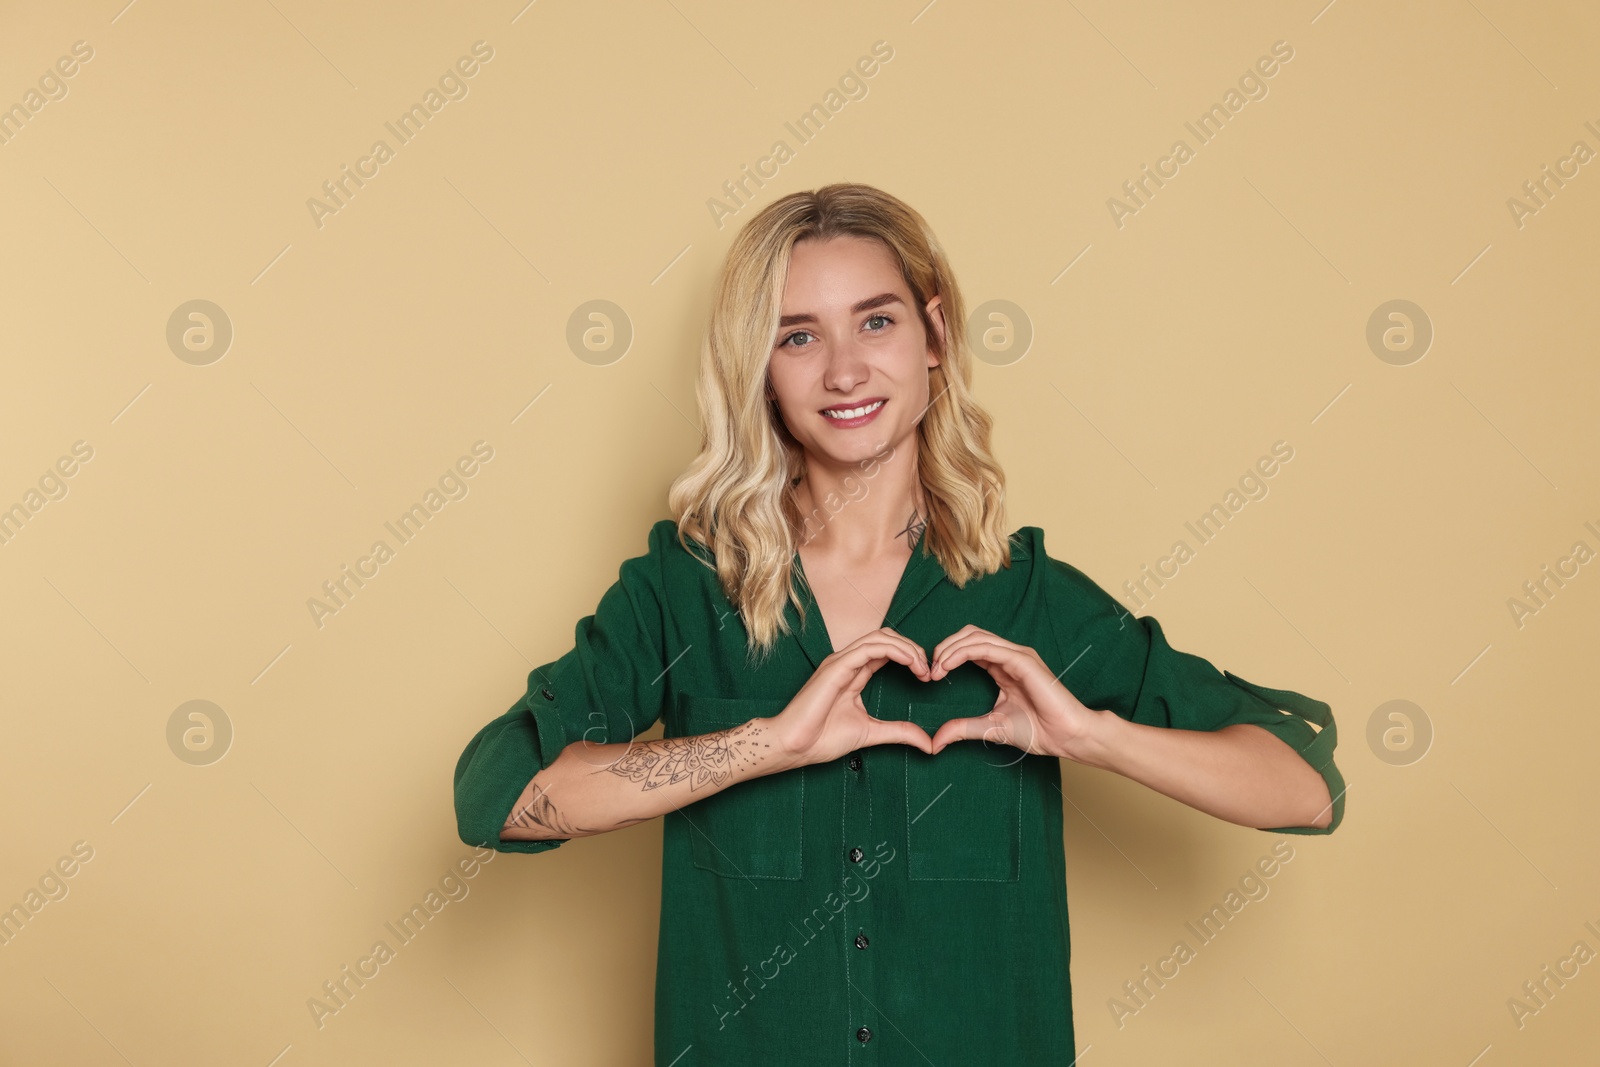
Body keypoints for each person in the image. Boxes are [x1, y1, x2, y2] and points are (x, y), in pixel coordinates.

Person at [453, 183, 1346, 1064]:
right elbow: (497, 796)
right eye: (797, 336)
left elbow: (1304, 787)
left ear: (936, 336)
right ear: (757, 368)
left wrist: (1089, 734)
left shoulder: (1029, 598)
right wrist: (765, 743)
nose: (843, 371)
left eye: (876, 321)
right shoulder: (683, 591)